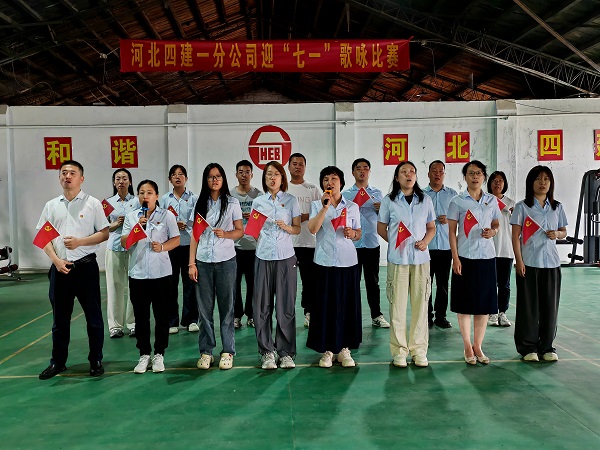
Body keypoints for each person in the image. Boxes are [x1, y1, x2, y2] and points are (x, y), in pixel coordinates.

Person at [36, 160, 109, 380]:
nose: (67, 176)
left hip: (85, 268)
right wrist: (56, 261)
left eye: (72, 173)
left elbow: (104, 233)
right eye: (64, 173)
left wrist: (80, 242)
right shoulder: (51, 206)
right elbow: (43, 237)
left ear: (81, 178)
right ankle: (58, 362)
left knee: (93, 318)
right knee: (59, 320)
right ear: (60, 177)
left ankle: (95, 360)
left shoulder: (92, 204)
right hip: (60, 269)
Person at [378, 161, 436, 368]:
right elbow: (381, 228)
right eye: (403, 172)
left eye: (412, 171)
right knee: (397, 307)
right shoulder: (389, 200)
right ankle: (399, 351)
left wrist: (425, 242)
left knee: (421, 306)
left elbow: (431, 227)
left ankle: (419, 350)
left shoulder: (425, 200)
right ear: (397, 177)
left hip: (421, 260)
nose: (408, 174)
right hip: (398, 261)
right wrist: (396, 243)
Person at [122, 180, 180, 374]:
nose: (145, 196)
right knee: (141, 316)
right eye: (141, 192)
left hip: (161, 273)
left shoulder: (167, 215)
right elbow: (124, 243)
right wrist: (136, 229)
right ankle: (144, 354)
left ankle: (159, 353)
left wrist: (162, 247)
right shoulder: (131, 217)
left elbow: (176, 239)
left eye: (149, 192)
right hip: (138, 274)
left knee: (161, 316)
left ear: (156, 196)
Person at [189, 163, 243, 370]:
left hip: (226, 261)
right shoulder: (199, 203)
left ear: (223, 179)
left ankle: (228, 351)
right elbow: (195, 236)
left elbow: (240, 231)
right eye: (211, 177)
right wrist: (191, 263)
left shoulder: (232, 202)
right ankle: (206, 351)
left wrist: (226, 234)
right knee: (204, 310)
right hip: (203, 262)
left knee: (227, 309)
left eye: (218, 176)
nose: (215, 180)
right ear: (206, 180)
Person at [510, 166, 567, 362]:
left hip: (551, 264)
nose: (542, 182)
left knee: (549, 307)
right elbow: (515, 236)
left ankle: (547, 346)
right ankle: (528, 348)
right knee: (528, 308)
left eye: (546, 179)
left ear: (551, 183)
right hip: (529, 263)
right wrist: (519, 260)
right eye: (538, 179)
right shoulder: (522, 207)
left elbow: (563, 231)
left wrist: (557, 234)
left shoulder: (557, 207)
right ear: (530, 183)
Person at [307, 166, 362, 368]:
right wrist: (325, 207)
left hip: (348, 262)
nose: (330, 182)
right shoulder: (317, 204)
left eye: (334, 179)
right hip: (324, 261)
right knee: (325, 306)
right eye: (326, 179)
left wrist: (352, 233)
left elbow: (358, 233)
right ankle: (328, 350)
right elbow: (313, 229)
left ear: (341, 183)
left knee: (346, 305)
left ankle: (345, 349)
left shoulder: (352, 206)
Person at [447, 160, 500, 365]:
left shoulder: (491, 200)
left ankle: (478, 345)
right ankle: (467, 345)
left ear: (484, 177)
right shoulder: (457, 201)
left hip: (487, 257)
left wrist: (493, 231)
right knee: (464, 304)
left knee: (483, 305)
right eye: (471, 173)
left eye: (478, 173)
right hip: (465, 257)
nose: (475, 176)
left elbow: (496, 223)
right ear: (465, 177)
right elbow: (452, 232)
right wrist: (455, 258)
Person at [251, 161, 301, 370]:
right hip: (263, 257)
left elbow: (297, 228)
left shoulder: (291, 200)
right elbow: (253, 230)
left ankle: (286, 352)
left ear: (282, 178)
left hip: (286, 257)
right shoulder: (258, 202)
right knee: (262, 306)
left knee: (286, 306)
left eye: (276, 174)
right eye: (269, 174)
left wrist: (287, 227)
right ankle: (267, 352)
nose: (272, 178)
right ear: (264, 179)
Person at [342, 158, 390, 328]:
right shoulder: (346, 195)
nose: (362, 171)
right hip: (352, 245)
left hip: (371, 243)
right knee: (351, 283)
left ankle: (376, 315)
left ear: (369, 171)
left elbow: (385, 218)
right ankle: (350, 316)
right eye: (358, 168)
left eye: (365, 168)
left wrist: (381, 209)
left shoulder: (377, 193)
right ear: (353, 172)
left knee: (373, 282)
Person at [161, 165, 199, 334]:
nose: (177, 177)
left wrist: (186, 224)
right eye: (174, 175)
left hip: (189, 246)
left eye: (181, 174)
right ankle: (171, 321)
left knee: (191, 283)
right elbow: (160, 220)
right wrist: (174, 225)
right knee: (170, 285)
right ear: (170, 179)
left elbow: (197, 218)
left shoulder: (194, 198)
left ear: (186, 178)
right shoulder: (164, 199)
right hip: (171, 246)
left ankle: (191, 320)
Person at [287, 153, 322, 328]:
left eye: (301, 164)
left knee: (309, 281)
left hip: (309, 243)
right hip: (288, 244)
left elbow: (321, 211)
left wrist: (302, 217)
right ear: (288, 167)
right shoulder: (283, 188)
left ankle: (309, 312)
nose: (298, 167)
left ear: (305, 167)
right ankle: (286, 315)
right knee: (287, 283)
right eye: (294, 163)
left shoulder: (312, 189)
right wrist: (296, 218)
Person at [105, 168, 139, 338]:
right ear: (114, 182)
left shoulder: (138, 201)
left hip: (133, 248)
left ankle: (133, 324)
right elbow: (102, 228)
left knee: (135, 286)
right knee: (114, 286)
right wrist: (116, 224)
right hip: (114, 248)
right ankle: (115, 326)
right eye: (118, 179)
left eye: (125, 178)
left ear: (130, 182)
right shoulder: (107, 203)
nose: (121, 182)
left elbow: (144, 221)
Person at [424, 160, 458, 329]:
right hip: (426, 247)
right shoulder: (421, 195)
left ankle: (441, 316)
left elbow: (459, 218)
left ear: (444, 174)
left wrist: (449, 219)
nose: (437, 174)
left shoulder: (453, 195)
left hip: (445, 246)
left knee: (443, 284)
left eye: (440, 171)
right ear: (428, 174)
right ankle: (426, 316)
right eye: (434, 171)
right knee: (426, 284)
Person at [230, 160, 262, 329]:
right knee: (234, 284)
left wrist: (254, 218)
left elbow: (265, 218)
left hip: (253, 246)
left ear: (252, 174)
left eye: (247, 172)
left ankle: (251, 314)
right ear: (236, 174)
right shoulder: (229, 195)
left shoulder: (259, 195)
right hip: (234, 247)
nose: (244, 175)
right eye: (241, 172)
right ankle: (236, 315)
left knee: (253, 283)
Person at [487, 171, 515, 327]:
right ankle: (491, 312)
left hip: (506, 249)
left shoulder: (511, 203)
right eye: (494, 180)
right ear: (490, 183)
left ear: (505, 184)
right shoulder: (485, 201)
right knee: (490, 283)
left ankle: (502, 313)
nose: (498, 183)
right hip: (489, 249)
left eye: (501, 180)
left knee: (504, 284)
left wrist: (513, 213)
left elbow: (517, 226)